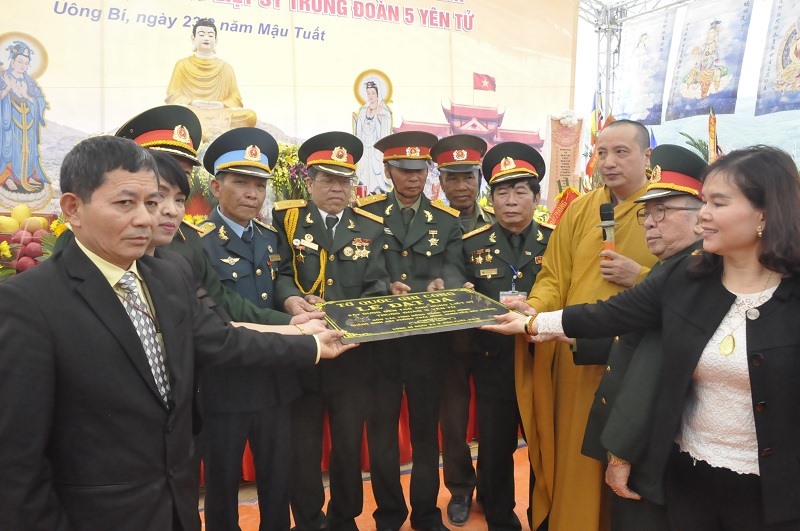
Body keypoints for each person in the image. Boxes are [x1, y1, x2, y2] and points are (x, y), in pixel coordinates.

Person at [0, 135, 353, 530]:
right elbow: (16, 462)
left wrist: (312, 346)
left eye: (152, 203)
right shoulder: (28, 302)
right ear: (72, 208)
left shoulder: (168, 275)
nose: (146, 219)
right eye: (125, 203)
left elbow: (221, 339)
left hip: (176, 505)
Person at [485, 144, 800, 530]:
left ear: (765, 213)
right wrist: (532, 324)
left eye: (718, 203)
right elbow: (611, 315)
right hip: (689, 475)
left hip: (772, 489)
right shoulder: (689, 276)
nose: (703, 214)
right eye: (704, 202)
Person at [517, 119, 658, 531]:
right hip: (574, 354)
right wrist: (533, 310)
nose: (608, 162)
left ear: (647, 156)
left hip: (634, 360)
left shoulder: (664, 209)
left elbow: (688, 281)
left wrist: (640, 275)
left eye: (621, 152)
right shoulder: (580, 210)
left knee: (627, 460)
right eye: (602, 153)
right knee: (575, 454)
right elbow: (553, 277)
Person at [571, 144, 706, 531]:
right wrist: (568, 337)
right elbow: (630, 337)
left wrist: (621, 451)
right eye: (647, 212)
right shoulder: (673, 267)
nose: (649, 222)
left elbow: (652, 366)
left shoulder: (688, 275)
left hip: (656, 450)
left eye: (662, 211)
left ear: (701, 218)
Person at [272, 131, 390, 531]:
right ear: (310, 183)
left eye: (344, 181)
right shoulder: (288, 221)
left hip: (351, 355)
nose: (338, 188)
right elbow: (280, 273)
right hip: (303, 355)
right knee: (303, 448)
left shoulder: (369, 227)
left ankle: (344, 518)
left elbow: (377, 283)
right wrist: (291, 300)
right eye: (328, 180)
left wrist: (351, 318)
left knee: (347, 445)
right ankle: (308, 520)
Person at [357, 131, 466, 531]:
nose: (413, 178)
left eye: (420, 170)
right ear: (388, 170)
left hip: (428, 343)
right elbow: (359, 267)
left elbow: (455, 268)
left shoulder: (446, 220)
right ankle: (388, 514)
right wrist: (383, 285)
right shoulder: (367, 216)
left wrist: (445, 283)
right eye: (404, 170)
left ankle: (425, 513)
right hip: (382, 343)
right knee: (382, 433)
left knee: (425, 434)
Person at [199, 127, 300, 531]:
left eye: (259, 185)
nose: (252, 194)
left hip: (275, 378)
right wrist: (292, 322)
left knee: (279, 476)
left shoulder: (270, 236)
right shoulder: (200, 243)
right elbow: (223, 305)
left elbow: (283, 278)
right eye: (241, 183)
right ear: (215, 186)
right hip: (228, 380)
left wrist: (291, 299)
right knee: (222, 481)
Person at [460, 141, 552, 530]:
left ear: (536, 197)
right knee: (496, 445)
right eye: (501, 192)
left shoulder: (554, 241)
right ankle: (499, 516)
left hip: (542, 358)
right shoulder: (471, 244)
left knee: (542, 443)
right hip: (493, 360)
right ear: (491, 198)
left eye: (519, 192)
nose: (510, 201)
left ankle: (542, 515)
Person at [429, 133, 492, 526]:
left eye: (468, 176)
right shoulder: (430, 224)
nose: (460, 186)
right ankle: (460, 489)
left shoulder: (499, 219)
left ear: (479, 179)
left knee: (494, 419)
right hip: (448, 342)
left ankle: (491, 486)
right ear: (440, 181)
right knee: (453, 423)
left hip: (492, 338)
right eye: (451, 178)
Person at [166, 18, 256, 139]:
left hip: (219, 113)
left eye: (210, 35)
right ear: (193, 38)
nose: (206, 38)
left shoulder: (226, 67)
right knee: (171, 114)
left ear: (216, 40)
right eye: (201, 34)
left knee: (250, 116)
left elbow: (235, 98)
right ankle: (204, 130)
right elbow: (172, 94)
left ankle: (201, 130)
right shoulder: (182, 64)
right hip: (193, 110)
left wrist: (221, 104)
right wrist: (192, 102)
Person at [0, 40, 50, 204]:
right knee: (9, 147)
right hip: (8, 121)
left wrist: (28, 97)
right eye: (20, 61)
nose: (23, 65)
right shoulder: (3, 78)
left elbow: (40, 101)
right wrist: (8, 88)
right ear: (12, 61)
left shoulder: (30, 82)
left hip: (28, 120)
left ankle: (28, 176)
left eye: (26, 63)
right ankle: (7, 176)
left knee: (28, 148)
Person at [354, 80, 392, 192]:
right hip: (365, 145)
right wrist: (357, 121)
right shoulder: (363, 110)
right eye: (368, 93)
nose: (371, 96)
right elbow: (360, 127)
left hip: (376, 145)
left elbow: (386, 125)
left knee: (376, 166)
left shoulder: (383, 109)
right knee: (364, 167)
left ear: (378, 93)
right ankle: (364, 189)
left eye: (373, 93)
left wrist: (380, 117)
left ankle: (377, 188)